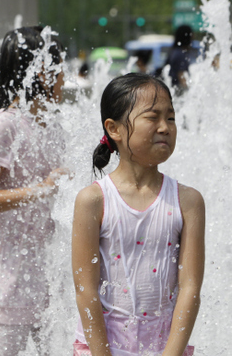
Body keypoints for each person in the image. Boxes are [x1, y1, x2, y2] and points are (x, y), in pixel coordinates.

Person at [72, 73, 204, 355]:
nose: (165, 127)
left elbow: (190, 287)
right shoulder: (93, 200)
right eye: (152, 117)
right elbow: (86, 291)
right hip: (102, 350)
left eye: (170, 117)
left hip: (164, 349)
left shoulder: (187, 201)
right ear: (114, 128)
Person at [0, 26, 69, 356]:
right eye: (59, 66)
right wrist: (39, 190)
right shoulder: (5, 125)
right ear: (41, 69)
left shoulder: (53, 125)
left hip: (47, 280)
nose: (64, 77)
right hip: (6, 283)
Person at [166, 25, 198, 94]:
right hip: (179, 90)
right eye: (192, 34)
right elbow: (181, 74)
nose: (193, 36)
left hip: (174, 88)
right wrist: (189, 92)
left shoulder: (175, 51)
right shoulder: (180, 53)